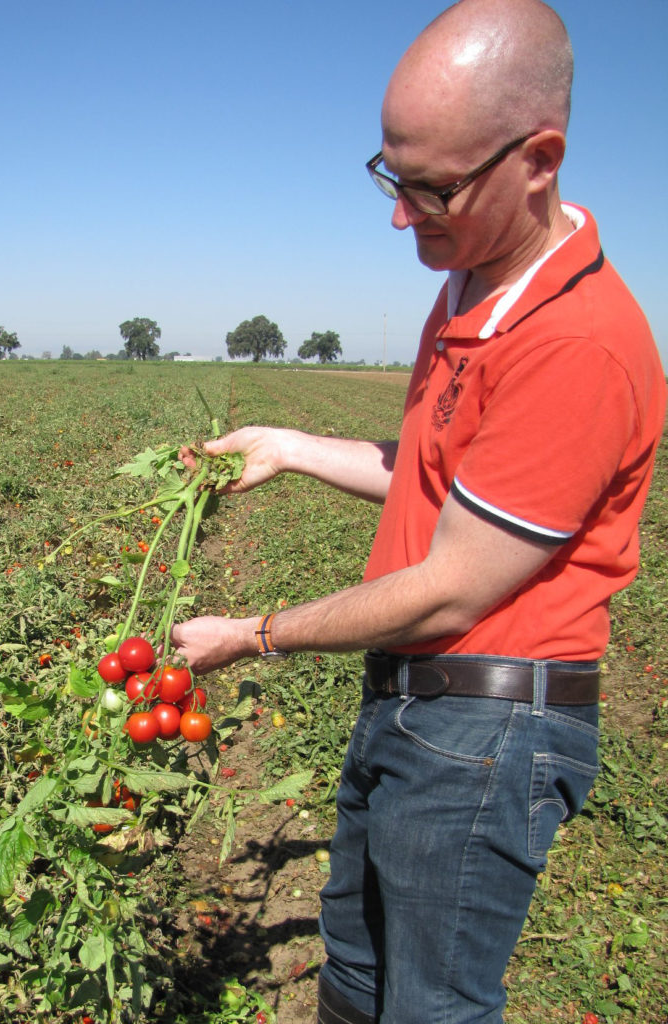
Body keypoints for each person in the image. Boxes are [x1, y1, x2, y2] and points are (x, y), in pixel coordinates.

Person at [172, 0, 667, 1020]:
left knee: (430, 1005)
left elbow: (450, 588)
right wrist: (289, 447)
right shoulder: (474, 283)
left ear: (539, 159)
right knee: (355, 976)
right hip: (416, 704)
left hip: (487, 729)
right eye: (391, 178)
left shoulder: (575, 344)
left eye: (433, 189)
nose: (403, 216)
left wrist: (254, 634)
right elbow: (438, 474)